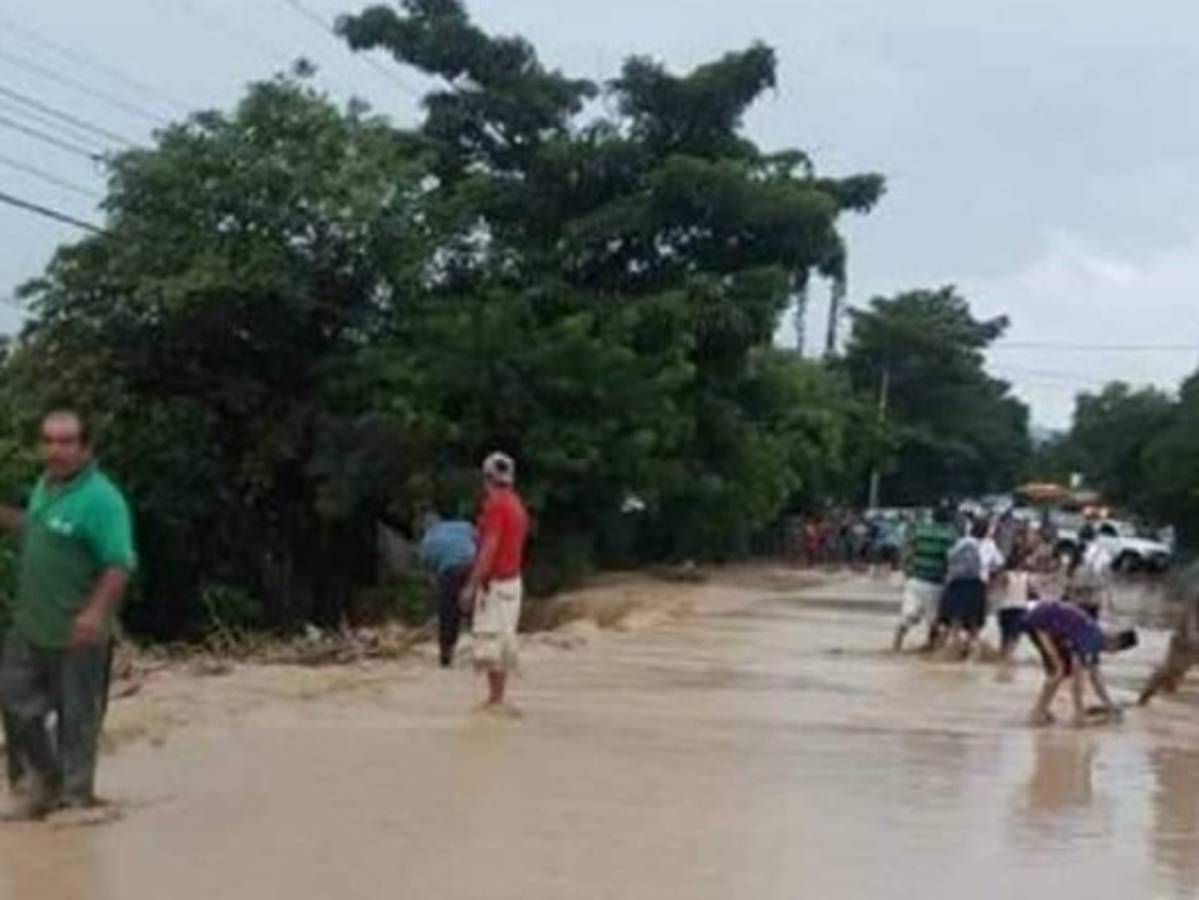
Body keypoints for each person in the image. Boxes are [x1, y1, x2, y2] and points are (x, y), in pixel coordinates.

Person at [0, 410, 137, 820]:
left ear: (86, 447)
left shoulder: (102, 500)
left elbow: (119, 563)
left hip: (78, 633)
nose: (55, 450)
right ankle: (43, 783)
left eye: (66, 442)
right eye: (48, 441)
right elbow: (39, 527)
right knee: (13, 699)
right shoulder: (46, 486)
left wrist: (95, 613)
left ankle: (76, 801)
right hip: (30, 626)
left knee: (77, 719)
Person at [460, 453, 529, 715]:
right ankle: (497, 698)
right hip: (512, 582)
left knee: (492, 642)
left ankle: (495, 700)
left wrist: (471, 585)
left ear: (487, 478)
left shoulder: (496, 506)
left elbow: (490, 547)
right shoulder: (516, 504)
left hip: (497, 584)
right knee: (502, 640)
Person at [1022, 600, 1136, 727]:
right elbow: (1078, 677)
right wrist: (1079, 711)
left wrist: (1109, 704)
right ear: (1115, 643)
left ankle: (1042, 709)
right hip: (1039, 622)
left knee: (1059, 671)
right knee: (1059, 671)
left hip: (1046, 620)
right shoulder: (1092, 639)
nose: (1112, 653)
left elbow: (1096, 676)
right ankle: (1037, 713)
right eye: (1116, 650)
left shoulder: (1096, 637)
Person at [893, 505, 957, 652]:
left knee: (908, 615)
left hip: (915, 580)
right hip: (937, 582)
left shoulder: (921, 529)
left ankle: (896, 645)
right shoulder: (950, 534)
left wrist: (905, 568)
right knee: (935, 620)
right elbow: (953, 558)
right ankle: (932, 647)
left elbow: (908, 548)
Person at [418, 513, 477, 668]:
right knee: (477, 608)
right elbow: (479, 538)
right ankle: (481, 646)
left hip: (449, 571)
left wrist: (437, 590)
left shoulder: (428, 540)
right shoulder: (463, 525)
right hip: (473, 566)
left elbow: (429, 571)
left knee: (448, 613)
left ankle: (446, 653)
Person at [1138, 562, 1199, 706]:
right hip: (1186, 641)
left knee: (1173, 675)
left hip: (1191, 639)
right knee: (1169, 671)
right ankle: (1144, 698)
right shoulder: (1196, 591)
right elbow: (1188, 615)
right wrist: (1192, 635)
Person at [938, 519, 991, 658]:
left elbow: (948, 557)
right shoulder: (988, 545)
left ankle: (949, 652)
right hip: (977, 586)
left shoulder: (959, 543)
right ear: (986, 531)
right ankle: (973, 656)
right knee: (974, 624)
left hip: (956, 585)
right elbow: (999, 562)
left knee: (954, 621)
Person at [1067, 525, 1113, 620]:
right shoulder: (1102, 551)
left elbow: (1069, 573)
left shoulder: (1077, 550)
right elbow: (1107, 575)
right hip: (1093, 597)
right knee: (1091, 621)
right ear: (1095, 537)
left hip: (1078, 596)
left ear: (1079, 537)